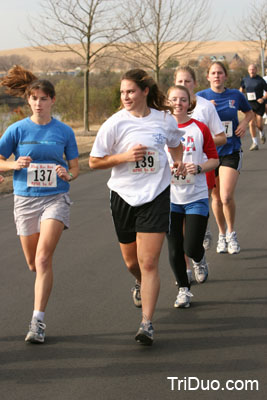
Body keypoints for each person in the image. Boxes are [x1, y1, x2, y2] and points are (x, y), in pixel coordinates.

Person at [89, 69, 185, 345]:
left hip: (155, 194)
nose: (126, 97)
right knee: (133, 262)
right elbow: (94, 162)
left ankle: (147, 324)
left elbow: (176, 145)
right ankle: (140, 282)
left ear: (145, 91)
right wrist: (124, 156)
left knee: (149, 261)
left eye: (131, 91)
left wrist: (177, 161)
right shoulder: (115, 124)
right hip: (123, 196)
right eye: (122, 92)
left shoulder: (164, 120)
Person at [0, 65, 79, 343]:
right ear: (28, 100)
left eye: (44, 98)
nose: (38, 103)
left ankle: (38, 322)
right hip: (24, 200)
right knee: (33, 264)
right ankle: (39, 308)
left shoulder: (64, 131)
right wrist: (13, 164)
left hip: (55, 198)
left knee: (44, 258)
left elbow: (75, 168)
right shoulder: (17, 129)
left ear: (52, 101)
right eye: (34, 98)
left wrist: (66, 174)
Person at [166, 85, 219, 308]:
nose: (178, 103)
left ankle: (199, 258)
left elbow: (215, 160)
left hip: (196, 195)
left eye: (183, 99)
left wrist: (197, 168)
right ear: (168, 102)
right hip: (169, 198)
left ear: (190, 103)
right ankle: (183, 290)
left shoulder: (200, 129)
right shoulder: (161, 130)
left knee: (191, 247)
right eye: (174, 99)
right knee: (175, 248)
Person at [174, 65, 226, 283]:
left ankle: (197, 253)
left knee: (193, 226)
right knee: (180, 230)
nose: (184, 86)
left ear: (195, 83)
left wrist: (199, 142)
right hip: (175, 179)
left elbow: (221, 138)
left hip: (200, 172)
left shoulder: (205, 107)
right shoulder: (168, 112)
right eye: (180, 82)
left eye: (187, 81)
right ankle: (186, 269)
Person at [197, 62, 253, 254]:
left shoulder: (235, 95)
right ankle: (221, 235)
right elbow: (190, 119)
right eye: (213, 73)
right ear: (208, 77)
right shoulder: (200, 98)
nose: (217, 76)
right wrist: (206, 110)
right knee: (216, 198)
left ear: (225, 76)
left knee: (226, 196)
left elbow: (250, 112)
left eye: (220, 73)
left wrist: (245, 123)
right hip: (210, 154)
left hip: (231, 150)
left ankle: (231, 233)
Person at [240, 64, 267, 150]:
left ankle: (262, 132)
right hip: (249, 104)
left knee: (259, 124)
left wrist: (263, 98)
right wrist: (241, 97)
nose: (252, 71)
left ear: (256, 70)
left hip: (259, 104)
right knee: (251, 123)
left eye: (253, 69)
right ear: (248, 70)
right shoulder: (245, 79)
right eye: (250, 69)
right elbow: (241, 89)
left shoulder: (261, 80)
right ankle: (255, 143)